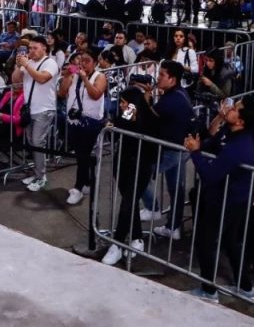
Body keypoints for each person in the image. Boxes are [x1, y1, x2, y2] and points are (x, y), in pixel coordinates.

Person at [184, 99, 254, 302]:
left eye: (235, 109)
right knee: (229, 240)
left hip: (230, 200)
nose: (230, 109)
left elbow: (210, 174)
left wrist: (195, 153)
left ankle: (209, 290)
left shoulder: (241, 147)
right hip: (226, 196)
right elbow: (212, 142)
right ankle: (245, 287)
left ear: (241, 121)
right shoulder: (229, 130)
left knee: (205, 241)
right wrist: (201, 144)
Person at [101, 87, 157, 266]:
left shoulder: (149, 122)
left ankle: (117, 243)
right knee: (129, 201)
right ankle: (137, 237)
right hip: (122, 165)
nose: (121, 106)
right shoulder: (126, 115)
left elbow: (153, 149)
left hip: (140, 167)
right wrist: (112, 126)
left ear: (133, 103)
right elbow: (117, 127)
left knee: (127, 203)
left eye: (124, 102)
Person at [141, 61, 194, 239]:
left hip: (172, 150)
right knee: (176, 188)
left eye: (162, 75)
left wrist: (145, 100)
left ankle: (152, 208)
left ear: (172, 79)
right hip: (179, 148)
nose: (158, 78)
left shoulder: (172, 100)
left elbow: (149, 118)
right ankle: (173, 227)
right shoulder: (178, 94)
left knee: (138, 174)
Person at [58, 48, 107, 205]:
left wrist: (85, 79)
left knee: (83, 153)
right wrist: (66, 76)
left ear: (95, 62)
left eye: (87, 60)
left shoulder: (100, 76)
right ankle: (86, 183)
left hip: (91, 121)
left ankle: (78, 188)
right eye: (81, 60)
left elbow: (95, 94)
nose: (83, 63)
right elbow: (62, 93)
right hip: (74, 120)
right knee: (80, 153)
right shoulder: (73, 75)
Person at [12, 35, 59, 192]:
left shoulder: (50, 62)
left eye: (35, 48)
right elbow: (15, 81)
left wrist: (27, 65)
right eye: (30, 48)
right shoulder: (29, 62)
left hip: (44, 109)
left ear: (44, 48)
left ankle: (41, 177)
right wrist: (19, 65)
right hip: (30, 109)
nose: (31, 51)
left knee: (38, 143)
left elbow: (41, 78)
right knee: (32, 142)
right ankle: (37, 173)